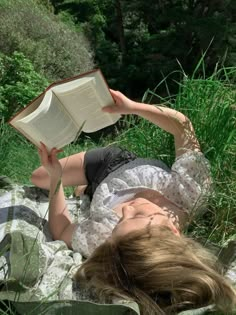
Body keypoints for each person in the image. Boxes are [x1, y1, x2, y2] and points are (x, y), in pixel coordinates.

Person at [32, 89, 236, 314]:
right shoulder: (191, 195)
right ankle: (86, 189)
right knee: (38, 177)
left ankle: (87, 190)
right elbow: (182, 126)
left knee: (40, 176)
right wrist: (132, 107)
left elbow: (61, 231)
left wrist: (56, 178)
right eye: (139, 215)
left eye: (119, 223)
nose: (126, 209)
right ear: (173, 229)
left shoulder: (105, 238)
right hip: (115, 161)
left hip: (102, 180)